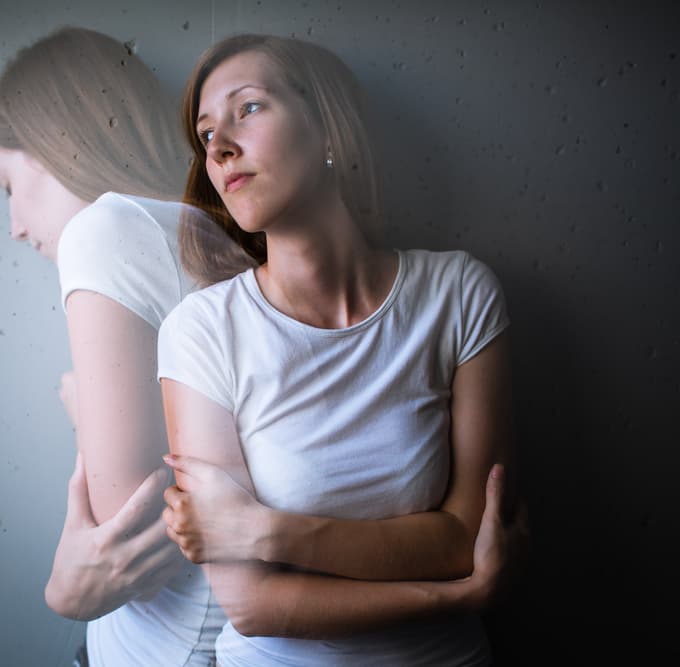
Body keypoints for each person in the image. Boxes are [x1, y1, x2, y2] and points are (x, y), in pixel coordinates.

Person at [157, 33, 521, 665]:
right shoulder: (202, 332)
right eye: (206, 133)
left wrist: (266, 530)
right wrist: (458, 597)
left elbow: (465, 539)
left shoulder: (459, 294)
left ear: (328, 129)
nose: (218, 147)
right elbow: (252, 604)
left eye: (248, 108)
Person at [0, 27, 234, 666]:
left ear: (54, 140)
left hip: (166, 645)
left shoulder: (104, 230)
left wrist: (86, 411)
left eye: (6, 184)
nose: (14, 227)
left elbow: (127, 531)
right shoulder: (208, 229)